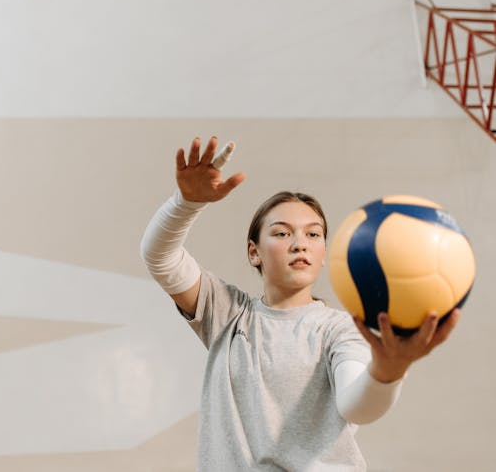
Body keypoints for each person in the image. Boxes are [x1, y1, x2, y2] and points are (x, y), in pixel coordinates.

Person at [140, 136, 460, 471]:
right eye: (281, 233)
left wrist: (388, 373)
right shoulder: (228, 314)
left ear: (323, 254)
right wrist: (185, 203)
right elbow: (160, 257)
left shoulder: (338, 329)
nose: (299, 244)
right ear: (254, 252)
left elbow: (356, 406)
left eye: (313, 234)